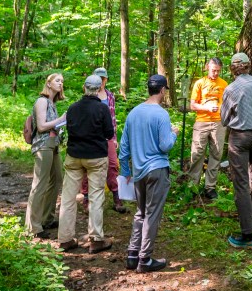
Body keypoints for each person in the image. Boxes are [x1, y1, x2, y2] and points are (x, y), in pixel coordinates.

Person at [118, 73, 178, 273]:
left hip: (138, 172)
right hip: (157, 169)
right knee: (152, 214)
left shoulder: (133, 113)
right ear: (162, 90)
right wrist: (174, 134)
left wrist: (126, 170)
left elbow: (124, 147)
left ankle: (132, 255)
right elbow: (165, 145)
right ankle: (145, 259)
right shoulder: (161, 114)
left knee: (140, 212)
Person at [57, 74, 116, 253]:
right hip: (96, 157)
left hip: (74, 156)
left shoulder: (73, 108)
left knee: (68, 198)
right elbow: (108, 133)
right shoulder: (102, 109)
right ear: (99, 89)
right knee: (96, 196)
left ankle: (65, 239)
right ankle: (96, 239)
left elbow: (68, 129)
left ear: (84, 87)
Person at [220, 51, 252, 248]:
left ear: (232, 69)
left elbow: (224, 119)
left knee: (241, 183)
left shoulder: (230, 89)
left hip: (239, 137)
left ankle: (247, 235)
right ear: (249, 65)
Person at [25, 73, 67, 238]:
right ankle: (33, 226)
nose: (60, 83)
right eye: (57, 80)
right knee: (39, 184)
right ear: (48, 83)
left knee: (57, 180)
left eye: (62, 81)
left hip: (53, 145)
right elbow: (42, 126)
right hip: (43, 146)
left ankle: (47, 218)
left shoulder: (52, 103)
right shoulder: (42, 101)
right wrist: (61, 119)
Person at [82, 67, 126, 213]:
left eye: (103, 79)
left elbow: (113, 118)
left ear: (106, 80)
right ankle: (86, 198)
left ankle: (116, 197)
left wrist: (114, 138)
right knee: (88, 167)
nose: (101, 81)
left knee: (113, 165)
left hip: (107, 137)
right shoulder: (87, 95)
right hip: (90, 138)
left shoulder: (110, 96)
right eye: (98, 78)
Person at [186, 57, 228, 199]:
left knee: (216, 154)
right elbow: (192, 105)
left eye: (218, 71)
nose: (215, 73)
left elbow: (227, 104)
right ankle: (193, 186)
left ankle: (210, 187)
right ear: (207, 67)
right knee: (197, 153)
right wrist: (207, 107)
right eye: (213, 70)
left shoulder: (224, 84)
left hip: (218, 123)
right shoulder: (199, 83)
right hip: (202, 122)